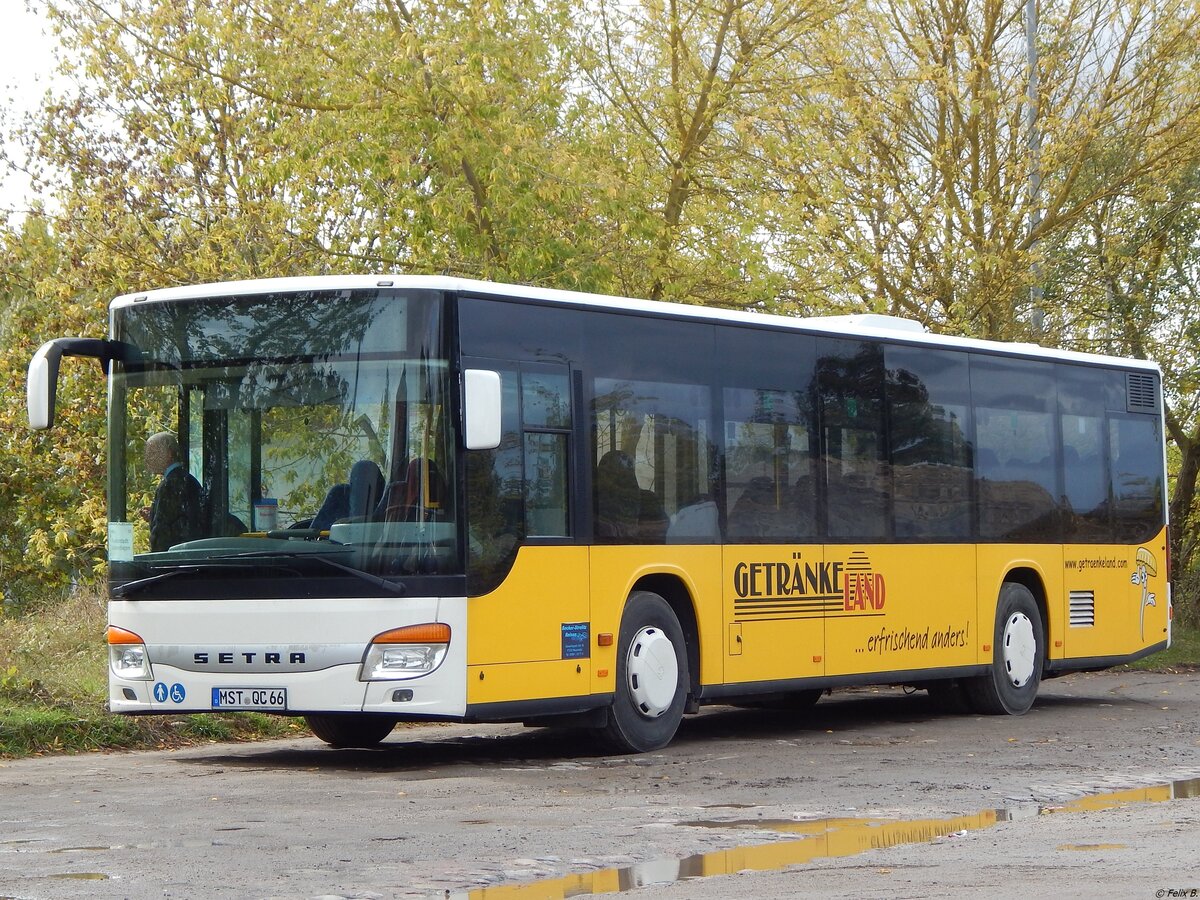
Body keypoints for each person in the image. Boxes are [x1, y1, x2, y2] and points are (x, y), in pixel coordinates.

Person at [141, 431, 203, 551]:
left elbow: (162, 531)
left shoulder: (171, 484)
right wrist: (154, 513)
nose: (148, 459)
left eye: (153, 453)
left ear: (169, 454)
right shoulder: (186, 479)